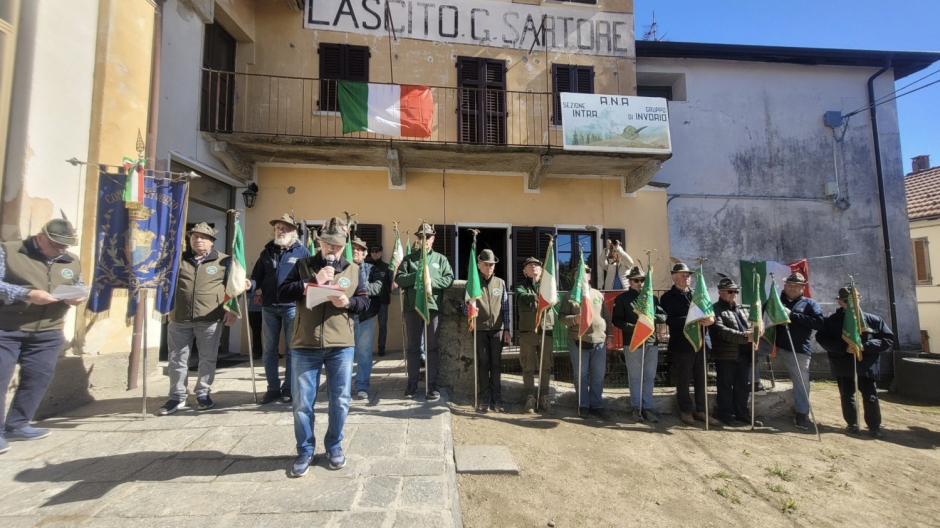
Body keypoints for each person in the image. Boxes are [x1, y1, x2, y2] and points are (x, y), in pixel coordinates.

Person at [277, 217, 369, 477]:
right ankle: (305, 450)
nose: (332, 249)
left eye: (337, 245)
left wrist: (348, 303)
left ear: (344, 245)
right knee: (302, 403)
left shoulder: (353, 269)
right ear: (319, 242)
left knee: (340, 401)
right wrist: (311, 282)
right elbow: (282, 293)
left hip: (341, 345)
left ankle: (334, 445)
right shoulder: (303, 265)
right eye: (328, 243)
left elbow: (364, 302)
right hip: (305, 343)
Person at [0, 219, 85, 453]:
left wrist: (78, 296)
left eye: (65, 246)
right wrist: (26, 294)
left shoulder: (71, 260)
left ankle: (18, 425)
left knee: (38, 378)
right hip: (7, 328)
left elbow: (78, 285)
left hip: (48, 331)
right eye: (56, 245)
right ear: (40, 238)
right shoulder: (9, 251)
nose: (61, 250)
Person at [160, 223, 243, 416]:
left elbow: (234, 287)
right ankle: (177, 396)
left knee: (207, 358)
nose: (198, 240)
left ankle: (203, 393)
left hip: (210, 318)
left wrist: (232, 310)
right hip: (180, 317)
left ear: (212, 241)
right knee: (177, 359)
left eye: (203, 237)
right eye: (194, 237)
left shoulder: (224, 261)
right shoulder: (178, 259)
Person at [815, 287, 894, 438]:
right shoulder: (831, 321)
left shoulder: (873, 320)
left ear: (859, 299)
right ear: (840, 302)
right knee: (847, 395)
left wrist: (866, 346)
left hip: (866, 364)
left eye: (854, 300)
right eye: (847, 301)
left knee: (870, 396)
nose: (851, 304)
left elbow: (887, 339)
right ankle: (852, 423)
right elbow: (822, 339)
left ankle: (874, 427)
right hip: (843, 364)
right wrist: (843, 348)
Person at [249, 213, 310, 405]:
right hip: (269, 307)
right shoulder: (266, 252)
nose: (280, 231)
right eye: (277, 228)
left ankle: (289, 389)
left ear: (293, 232)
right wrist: (249, 285)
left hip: (292, 307)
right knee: (269, 350)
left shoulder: (302, 252)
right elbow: (256, 278)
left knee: (292, 349)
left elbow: (309, 279)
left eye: (284, 228)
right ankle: (272, 388)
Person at [395, 223, 454, 401]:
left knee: (432, 347)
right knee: (413, 347)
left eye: (428, 237)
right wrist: (417, 277)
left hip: (433, 307)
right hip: (413, 308)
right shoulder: (409, 260)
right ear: (417, 239)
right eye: (421, 237)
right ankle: (412, 383)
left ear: (433, 239)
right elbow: (399, 279)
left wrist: (430, 281)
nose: (424, 240)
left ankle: (432, 384)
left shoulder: (440, 259)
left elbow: (449, 279)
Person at [660, 262, 718, 426]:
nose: (686, 278)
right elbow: (669, 320)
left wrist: (711, 319)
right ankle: (685, 410)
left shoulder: (697, 294)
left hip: (701, 342)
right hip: (683, 344)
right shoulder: (667, 297)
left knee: (701, 378)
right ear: (674, 278)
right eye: (683, 275)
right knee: (684, 378)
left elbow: (709, 311)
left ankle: (702, 410)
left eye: (688, 276)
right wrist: (692, 320)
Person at [612, 266, 667, 423]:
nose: (640, 283)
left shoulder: (652, 299)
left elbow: (663, 317)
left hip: (651, 342)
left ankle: (647, 408)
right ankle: (636, 407)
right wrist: (634, 327)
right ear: (630, 282)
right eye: (636, 280)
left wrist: (648, 319)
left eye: (643, 280)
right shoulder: (622, 299)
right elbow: (617, 320)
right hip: (633, 342)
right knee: (635, 377)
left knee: (649, 377)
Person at [559, 265, 613, 421]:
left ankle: (597, 405)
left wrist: (610, 335)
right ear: (574, 277)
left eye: (587, 272)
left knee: (598, 376)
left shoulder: (598, 294)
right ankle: (583, 405)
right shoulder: (569, 296)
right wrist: (574, 319)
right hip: (579, 341)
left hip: (599, 341)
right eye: (579, 273)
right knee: (581, 376)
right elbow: (561, 317)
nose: (584, 275)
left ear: (590, 276)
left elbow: (606, 317)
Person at [773, 272, 824, 430]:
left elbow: (818, 323)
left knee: (802, 382)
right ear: (785, 285)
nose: (792, 288)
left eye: (797, 286)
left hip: (797, 349)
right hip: (773, 345)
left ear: (803, 287)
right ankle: (754, 385)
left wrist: (793, 315)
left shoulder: (810, 304)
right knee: (751, 355)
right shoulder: (775, 300)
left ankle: (801, 413)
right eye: (790, 285)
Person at [466, 249, 511, 413]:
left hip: (497, 329)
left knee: (496, 363)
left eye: (491, 265)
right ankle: (484, 396)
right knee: (483, 362)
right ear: (479, 265)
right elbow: (466, 306)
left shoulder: (500, 283)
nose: (489, 267)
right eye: (486, 264)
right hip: (480, 329)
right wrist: (470, 313)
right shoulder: (473, 283)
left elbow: (505, 307)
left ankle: (497, 396)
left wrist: (507, 329)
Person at [710, 276, 755, 427]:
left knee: (742, 385)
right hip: (725, 354)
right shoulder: (715, 309)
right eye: (730, 291)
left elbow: (754, 325)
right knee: (725, 385)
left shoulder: (744, 309)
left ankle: (742, 413)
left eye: (736, 291)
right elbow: (721, 331)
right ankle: (726, 414)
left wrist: (753, 333)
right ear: (720, 292)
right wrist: (745, 337)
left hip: (745, 353)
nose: (734, 294)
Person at [513, 256, 553, 414]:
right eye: (529, 265)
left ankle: (544, 396)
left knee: (546, 366)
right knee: (528, 367)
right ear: (525, 271)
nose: (533, 267)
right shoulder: (520, 286)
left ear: (542, 270)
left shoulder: (549, 285)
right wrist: (536, 297)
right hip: (528, 332)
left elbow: (553, 298)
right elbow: (521, 296)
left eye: (536, 265)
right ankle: (530, 397)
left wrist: (545, 295)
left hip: (545, 331)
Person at [351, 237, 388, 400]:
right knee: (344, 355)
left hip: (365, 317)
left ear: (364, 253)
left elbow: (378, 287)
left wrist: (356, 288)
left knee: (364, 354)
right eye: (353, 248)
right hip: (344, 318)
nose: (355, 251)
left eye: (359, 249)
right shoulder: (341, 269)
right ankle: (342, 388)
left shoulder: (372, 269)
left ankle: (362, 386)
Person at [366, 245, 392, 357]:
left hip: (383, 301)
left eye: (377, 251)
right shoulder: (367, 267)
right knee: (367, 326)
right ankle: (367, 349)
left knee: (382, 326)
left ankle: (381, 348)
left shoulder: (387, 267)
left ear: (381, 252)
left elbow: (391, 283)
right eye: (372, 251)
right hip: (369, 302)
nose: (374, 254)